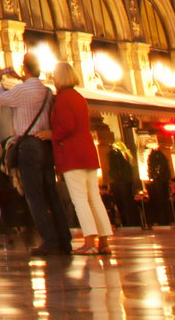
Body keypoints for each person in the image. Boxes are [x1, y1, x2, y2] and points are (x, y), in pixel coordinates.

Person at [0, 54, 70, 257]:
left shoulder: (22, 91)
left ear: (24, 68)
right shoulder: (46, 91)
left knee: (34, 196)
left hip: (28, 146)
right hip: (46, 145)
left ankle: (50, 242)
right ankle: (64, 240)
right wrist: (22, 78)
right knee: (51, 193)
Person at [49, 64, 111, 256]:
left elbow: (67, 126)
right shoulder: (79, 98)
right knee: (94, 198)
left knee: (79, 200)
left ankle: (89, 241)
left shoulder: (62, 99)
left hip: (72, 154)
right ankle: (104, 240)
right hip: (88, 153)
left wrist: (51, 134)